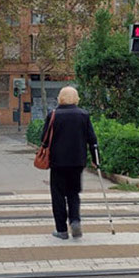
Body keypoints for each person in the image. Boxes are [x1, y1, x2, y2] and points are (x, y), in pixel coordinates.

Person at [40, 86, 98, 240]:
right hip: (77, 162)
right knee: (73, 193)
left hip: (57, 162)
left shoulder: (53, 115)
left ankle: (61, 230)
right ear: (76, 98)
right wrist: (96, 160)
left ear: (60, 98)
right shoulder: (83, 115)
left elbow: (44, 139)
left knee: (58, 195)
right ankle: (75, 221)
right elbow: (92, 140)